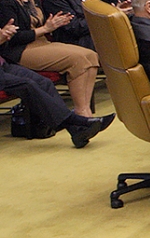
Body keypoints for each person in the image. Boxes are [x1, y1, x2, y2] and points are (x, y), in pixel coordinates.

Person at [0, 0, 101, 117]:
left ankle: (84, 109)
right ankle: (82, 113)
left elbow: (45, 24)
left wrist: (53, 24)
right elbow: (15, 38)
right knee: (78, 60)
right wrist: (46, 28)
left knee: (91, 56)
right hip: (22, 50)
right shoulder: (6, 2)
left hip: (43, 43)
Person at [0, 18, 114, 148]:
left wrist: (4, 37)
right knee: (27, 84)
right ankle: (77, 121)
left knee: (44, 83)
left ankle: (76, 130)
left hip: (3, 65)